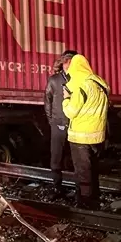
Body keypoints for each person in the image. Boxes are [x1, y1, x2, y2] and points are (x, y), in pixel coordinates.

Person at [61, 54, 110, 209]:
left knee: (83, 172)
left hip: (80, 137)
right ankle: (94, 197)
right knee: (93, 170)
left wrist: (66, 99)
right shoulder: (100, 83)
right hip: (97, 136)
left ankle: (86, 204)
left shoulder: (80, 84)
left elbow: (70, 112)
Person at [43, 49, 79, 196]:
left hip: (75, 124)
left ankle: (79, 188)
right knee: (56, 157)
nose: (68, 64)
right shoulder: (54, 80)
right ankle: (57, 186)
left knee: (77, 159)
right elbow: (47, 102)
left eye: (71, 61)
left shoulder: (79, 79)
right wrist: (52, 121)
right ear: (63, 63)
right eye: (66, 61)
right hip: (59, 123)